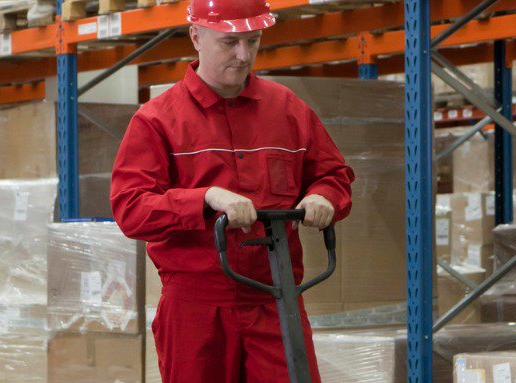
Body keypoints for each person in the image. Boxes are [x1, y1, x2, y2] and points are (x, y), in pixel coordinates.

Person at [108, 0, 355, 379]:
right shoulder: (157, 120)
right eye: (230, 43)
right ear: (196, 37)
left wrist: (324, 196)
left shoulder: (287, 110)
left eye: (252, 41)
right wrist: (204, 198)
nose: (243, 56)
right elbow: (131, 209)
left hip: (276, 300)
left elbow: (334, 173)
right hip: (197, 309)